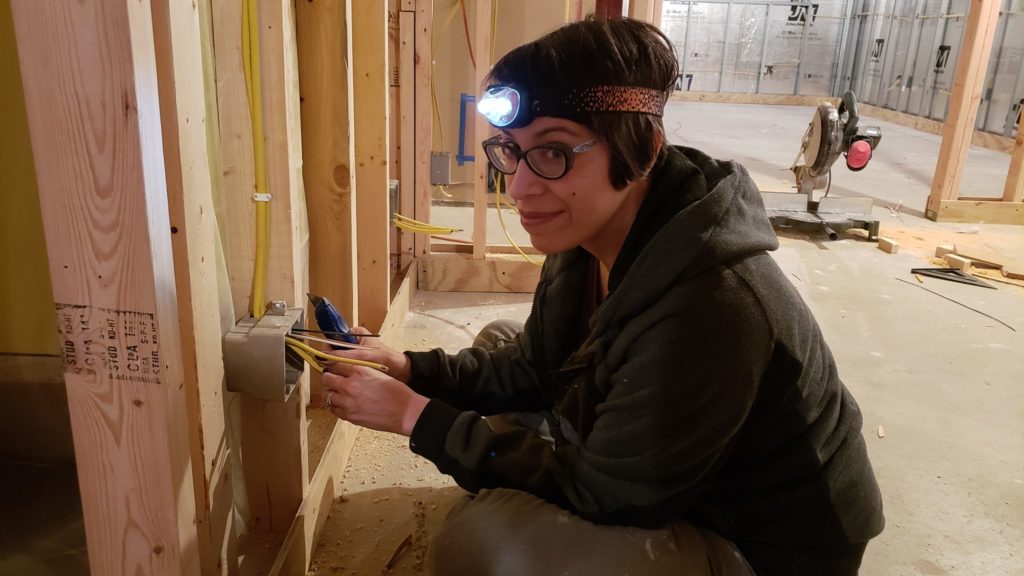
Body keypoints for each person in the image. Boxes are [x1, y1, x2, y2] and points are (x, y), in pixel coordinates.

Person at [320, 16, 884, 575]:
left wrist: (418, 418)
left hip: (760, 544)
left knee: (486, 547)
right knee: (503, 346)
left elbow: (612, 495)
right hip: (683, 480)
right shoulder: (586, 233)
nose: (519, 187)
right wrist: (408, 367)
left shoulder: (711, 305)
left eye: (553, 153)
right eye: (510, 151)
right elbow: (533, 368)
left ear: (642, 149)